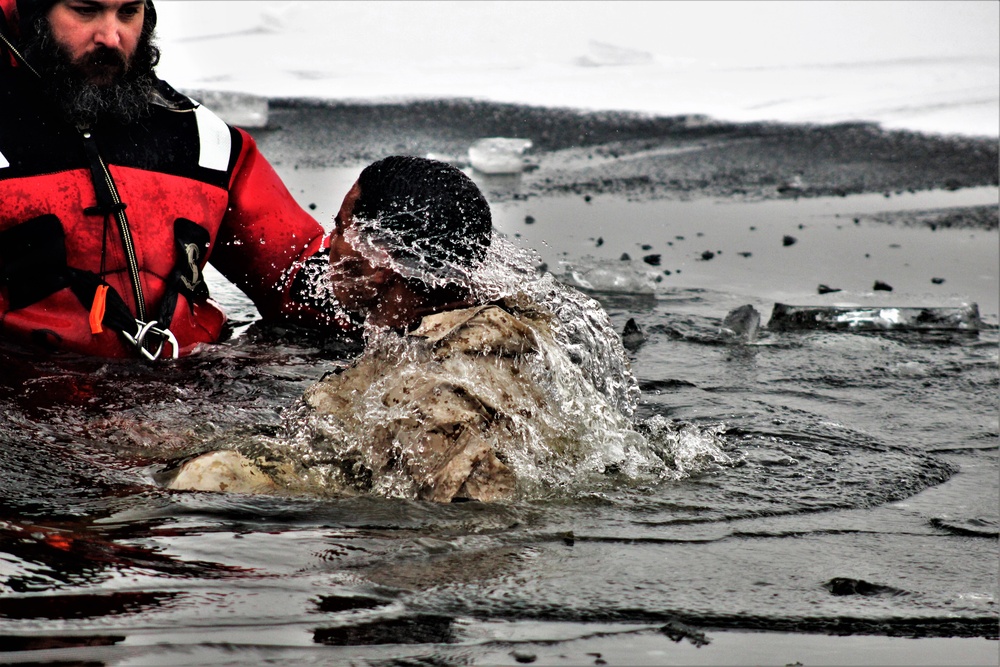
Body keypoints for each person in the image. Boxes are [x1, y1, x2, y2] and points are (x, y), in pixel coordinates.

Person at [162, 156, 642, 503]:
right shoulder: (493, 334)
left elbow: (466, 516)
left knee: (208, 477)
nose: (329, 246)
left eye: (341, 228)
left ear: (379, 261)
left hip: (408, 565)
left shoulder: (437, 396)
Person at [0, 0, 339, 360]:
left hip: (193, 395)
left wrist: (388, 288)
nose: (111, 37)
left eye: (128, 12)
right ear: (31, 13)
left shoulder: (202, 143)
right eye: (85, 10)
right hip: (39, 398)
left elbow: (295, 272)